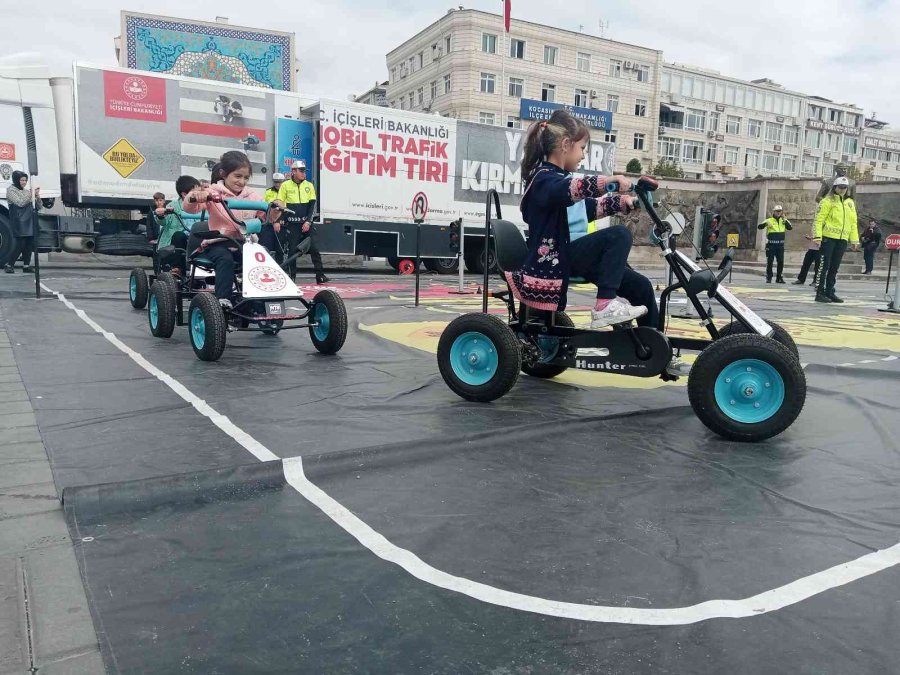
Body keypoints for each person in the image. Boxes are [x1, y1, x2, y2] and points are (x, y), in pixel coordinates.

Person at [184, 152, 276, 308]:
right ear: (223, 174)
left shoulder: (253, 196)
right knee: (225, 259)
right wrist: (196, 196)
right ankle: (223, 300)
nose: (241, 182)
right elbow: (190, 208)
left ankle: (259, 303)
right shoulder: (212, 193)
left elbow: (268, 217)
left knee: (262, 259)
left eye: (246, 178)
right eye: (237, 176)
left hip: (245, 243)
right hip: (218, 243)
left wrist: (276, 207)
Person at [276, 160, 326, 283]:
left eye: (304, 171)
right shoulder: (285, 185)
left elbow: (312, 206)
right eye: (301, 171)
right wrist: (278, 220)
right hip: (292, 224)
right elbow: (280, 204)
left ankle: (320, 276)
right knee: (292, 251)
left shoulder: (309, 185)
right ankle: (292, 278)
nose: (304, 174)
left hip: (306, 223)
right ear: (293, 171)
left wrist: (308, 222)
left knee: (314, 249)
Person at [814, 176, 859, 303]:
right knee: (824, 266)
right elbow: (819, 220)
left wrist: (854, 240)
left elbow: (853, 223)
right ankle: (819, 293)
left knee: (834, 267)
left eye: (845, 187)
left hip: (842, 239)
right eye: (840, 187)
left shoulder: (850, 203)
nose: (843, 190)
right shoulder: (827, 201)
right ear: (835, 187)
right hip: (828, 238)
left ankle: (830, 291)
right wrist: (818, 236)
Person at [153, 176, 200, 278]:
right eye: (195, 193)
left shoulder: (203, 206)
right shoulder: (173, 206)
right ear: (184, 194)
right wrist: (161, 214)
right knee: (179, 235)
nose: (199, 195)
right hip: (178, 243)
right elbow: (164, 221)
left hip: (197, 241)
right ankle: (177, 268)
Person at [4, 171, 39, 273]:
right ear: (16, 180)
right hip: (18, 220)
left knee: (29, 242)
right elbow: (20, 203)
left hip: (29, 220)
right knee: (20, 243)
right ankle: (9, 264)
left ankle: (26, 266)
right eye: (22, 180)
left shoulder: (26, 191)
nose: (24, 182)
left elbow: (39, 206)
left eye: (25, 180)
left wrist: (37, 196)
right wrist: (31, 194)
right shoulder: (11, 190)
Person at [757, 205, 792, 284]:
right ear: (774, 212)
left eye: (780, 211)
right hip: (771, 245)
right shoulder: (769, 220)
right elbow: (759, 227)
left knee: (781, 262)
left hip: (780, 245)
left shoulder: (784, 221)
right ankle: (769, 277)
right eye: (777, 211)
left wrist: (785, 220)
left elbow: (790, 228)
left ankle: (779, 278)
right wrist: (766, 224)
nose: (779, 213)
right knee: (770, 261)